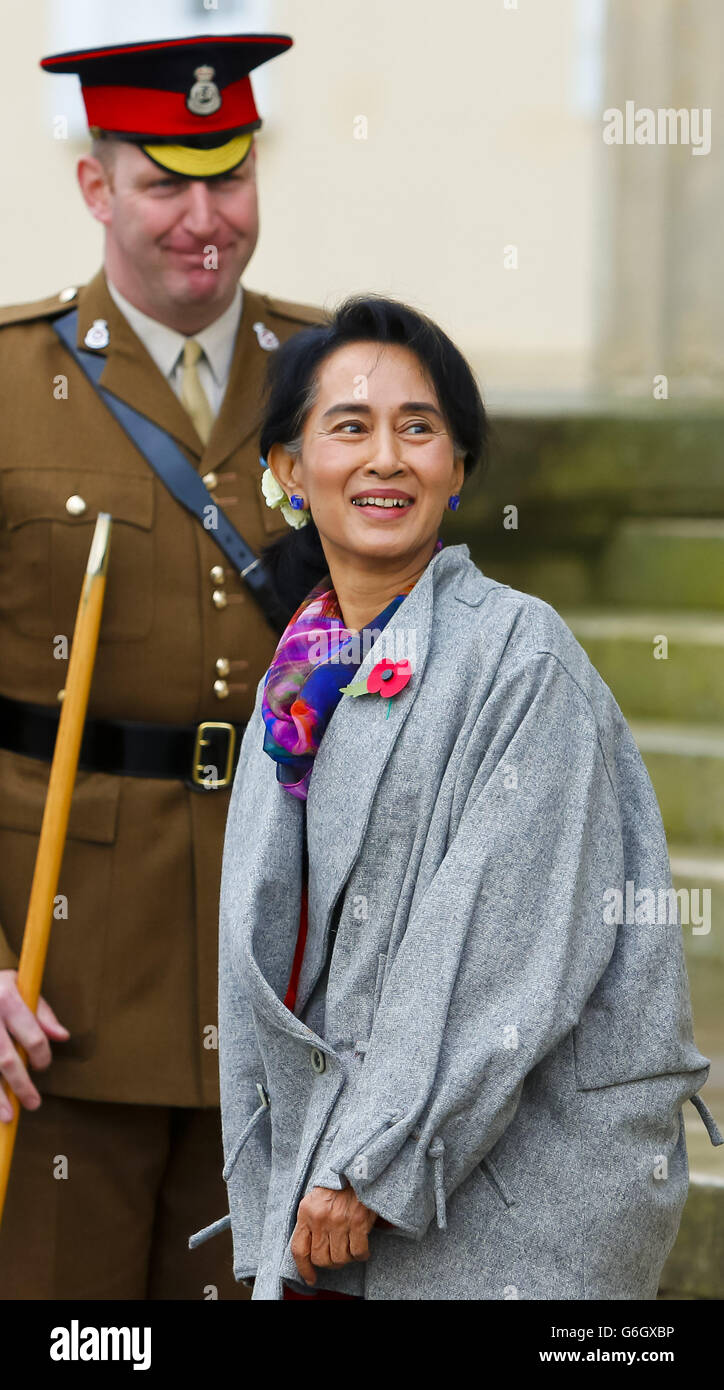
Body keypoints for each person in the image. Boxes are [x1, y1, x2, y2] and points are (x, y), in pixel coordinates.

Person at [189, 294, 723, 1300]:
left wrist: (367, 1160)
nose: (386, 457)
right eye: (349, 426)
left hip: (494, 1202)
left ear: (459, 469)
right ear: (288, 473)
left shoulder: (522, 659)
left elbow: (500, 958)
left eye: (419, 428)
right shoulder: (298, 680)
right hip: (337, 1194)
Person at [0, 32, 325, 1300]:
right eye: (164, 183)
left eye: (229, 176)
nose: (206, 219)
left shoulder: (337, 381)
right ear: (94, 187)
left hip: (284, 978)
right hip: (60, 991)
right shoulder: (11, 383)